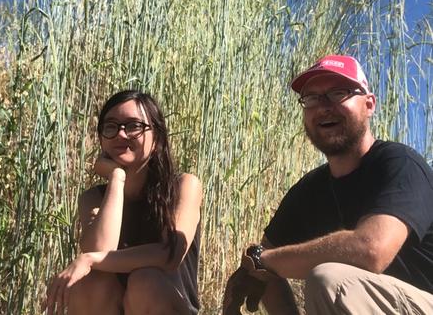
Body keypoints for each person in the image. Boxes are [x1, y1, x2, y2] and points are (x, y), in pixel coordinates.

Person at [222, 54, 433, 314]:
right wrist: (258, 267)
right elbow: (263, 263)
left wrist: (263, 261)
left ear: (369, 105)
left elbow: (371, 249)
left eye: (338, 93)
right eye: (311, 98)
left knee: (332, 281)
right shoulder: (309, 190)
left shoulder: (400, 163)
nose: (323, 106)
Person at [45, 90, 203, 315]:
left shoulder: (185, 186)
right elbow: (101, 249)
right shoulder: (93, 198)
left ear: (157, 138)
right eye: (111, 127)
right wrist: (116, 178)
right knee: (91, 283)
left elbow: (170, 254)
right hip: (114, 307)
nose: (120, 134)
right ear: (101, 139)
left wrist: (90, 259)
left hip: (168, 305)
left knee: (145, 282)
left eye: (133, 126)